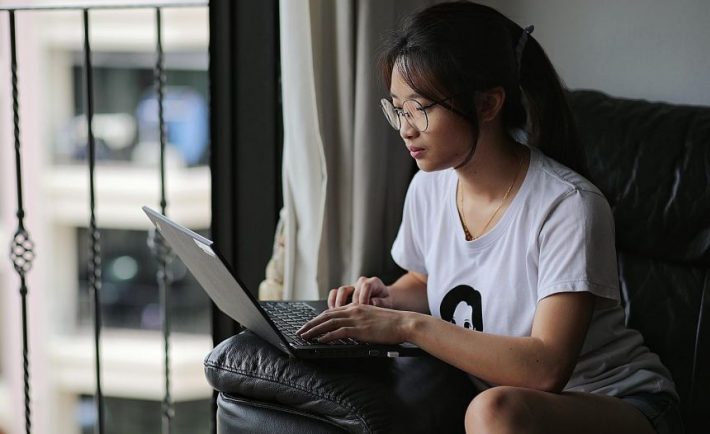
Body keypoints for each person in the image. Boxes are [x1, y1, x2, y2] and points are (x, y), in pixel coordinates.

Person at [297, 2, 682, 433]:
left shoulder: (568, 206)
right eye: (398, 109)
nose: (406, 129)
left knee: (492, 411)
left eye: (420, 108)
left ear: (487, 104)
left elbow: (545, 368)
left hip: (617, 400)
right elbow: (427, 281)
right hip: (509, 400)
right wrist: (385, 300)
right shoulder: (431, 185)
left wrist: (407, 326)